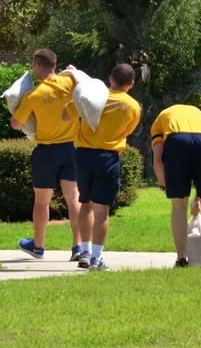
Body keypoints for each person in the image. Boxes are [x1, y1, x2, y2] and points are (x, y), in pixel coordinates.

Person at [64, 64, 140, 271]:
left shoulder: (93, 96)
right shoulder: (133, 106)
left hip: (83, 155)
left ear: (110, 78)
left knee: (85, 204)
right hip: (108, 157)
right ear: (131, 84)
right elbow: (127, 131)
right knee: (102, 210)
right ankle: (97, 258)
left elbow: (65, 114)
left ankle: (85, 251)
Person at [10, 48, 83, 260]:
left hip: (46, 152)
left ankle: (38, 246)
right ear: (55, 65)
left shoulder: (33, 95)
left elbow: (16, 124)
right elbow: (81, 84)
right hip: (72, 147)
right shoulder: (69, 84)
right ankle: (78, 246)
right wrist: (73, 71)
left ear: (37, 66)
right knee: (73, 197)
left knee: (42, 201)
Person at [151, 104, 201, 268]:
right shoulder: (199, 114)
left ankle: (181, 259)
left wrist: (164, 186)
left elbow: (157, 160)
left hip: (176, 141)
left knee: (178, 204)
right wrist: (200, 195)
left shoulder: (160, 118)